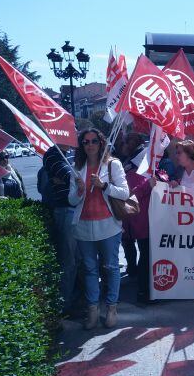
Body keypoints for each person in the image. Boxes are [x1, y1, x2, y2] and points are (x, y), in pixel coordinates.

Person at [69, 128, 130, 330]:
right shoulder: (77, 168)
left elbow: (124, 193)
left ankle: (111, 309)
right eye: (85, 142)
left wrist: (104, 186)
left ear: (101, 142)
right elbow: (71, 200)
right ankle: (93, 311)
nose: (90, 145)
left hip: (109, 225)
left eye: (94, 141)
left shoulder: (113, 164)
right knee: (89, 269)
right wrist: (79, 191)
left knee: (111, 267)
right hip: (84, 227)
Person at [43, 144, 80, 315]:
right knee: (68, 261)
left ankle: (74, 300)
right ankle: (64, 305)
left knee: (78, 260)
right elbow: (73, 177)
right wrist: (76, 179)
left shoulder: (70, 153)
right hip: (66, 211)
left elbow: (76, 178)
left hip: (77, 210)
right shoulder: (53, 154)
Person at [119, 134, 155, 303]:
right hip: (139, 219)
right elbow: (131, 194)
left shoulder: (142, 166)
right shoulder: (130, 168)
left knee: (146, 255)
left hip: (144, 219)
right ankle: (143, 291)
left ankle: (144, 289)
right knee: (145, 255)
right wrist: (148, 185)